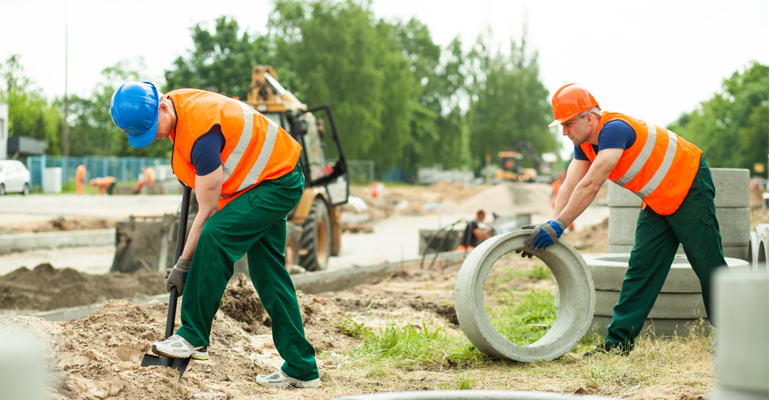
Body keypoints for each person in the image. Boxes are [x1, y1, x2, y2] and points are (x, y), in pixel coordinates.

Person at [109, 82, 319, 388]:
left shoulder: (201, 131)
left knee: (215, 237)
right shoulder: (179, 107)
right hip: (264, 179)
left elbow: (207, 211)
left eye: (153, 127)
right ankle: (302, 367)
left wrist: (184, 264)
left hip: (277, 182)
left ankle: (193, 335)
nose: (154, 135)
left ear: (163, 106)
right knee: (269, 275)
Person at [523, 83, 726, 356]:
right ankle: (617, 344)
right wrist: (552, 223)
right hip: (657, 199)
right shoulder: (585, 145)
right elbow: (571, 184)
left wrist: (558, 227)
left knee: (708, 264)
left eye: (568, 123)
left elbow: (592, 184)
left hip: (689, 185)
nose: (564, 131)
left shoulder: (615, 129)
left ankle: (732, 334)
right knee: (640, 271)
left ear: (590, 118)